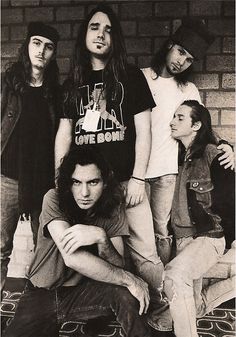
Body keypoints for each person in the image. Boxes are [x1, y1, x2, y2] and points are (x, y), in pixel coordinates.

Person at [54, 2, 167, 320]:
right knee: (98, 254)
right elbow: (64, 136)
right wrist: (63, 182)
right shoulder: (72, 84)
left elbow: (144, 132)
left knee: (144, 253)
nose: (101, 34)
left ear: (115, 38)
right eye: (94, 27)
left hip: (124, 184)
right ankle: (111, 312)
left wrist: (138, 178)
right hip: (87, 187)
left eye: (108, 29)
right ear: (84, 35)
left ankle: (157, 313)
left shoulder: (130, 77)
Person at [3, 146, 154, 337]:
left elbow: (119, 264)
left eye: (93, 182)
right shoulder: (53, 198)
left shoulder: (113, 205)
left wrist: (101, 237)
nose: (84, 193)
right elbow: (72, 258)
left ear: (106, 182)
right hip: (43, 293)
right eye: (76, 182)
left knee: (126, 293)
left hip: (85, 292)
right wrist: (131, 280)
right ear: (68, 183)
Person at [142, 18, 234, 267]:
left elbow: (202, 127)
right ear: (170, 45)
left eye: (189, 59)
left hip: (167, 173)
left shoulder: (188, 89)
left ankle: (161, 294)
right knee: (136, 236)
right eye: (180, 51)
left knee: (161, 234)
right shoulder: (141, 78)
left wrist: (226, 145)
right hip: (136, 173)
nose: (181, 61)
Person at [160, 100, 235, 337]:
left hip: (208, 237)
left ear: (196, 125)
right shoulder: (174, 153)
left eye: (180, 117)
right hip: (182, 240)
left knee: (175, 275)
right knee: (192, 304)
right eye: (173, 116)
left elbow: (231, 198)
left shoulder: (212, 153)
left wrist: (231, 237)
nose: (172, 122)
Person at [1, 22, 61, 292]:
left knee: (45, 250)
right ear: (27, 46)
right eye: (36, 43)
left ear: (53, 54)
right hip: (6, 179)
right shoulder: (7, 84)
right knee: (0, 248)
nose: (41, 51)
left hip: (43, 183)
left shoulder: (55, 93)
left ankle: (39, 316)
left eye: (48, 47)